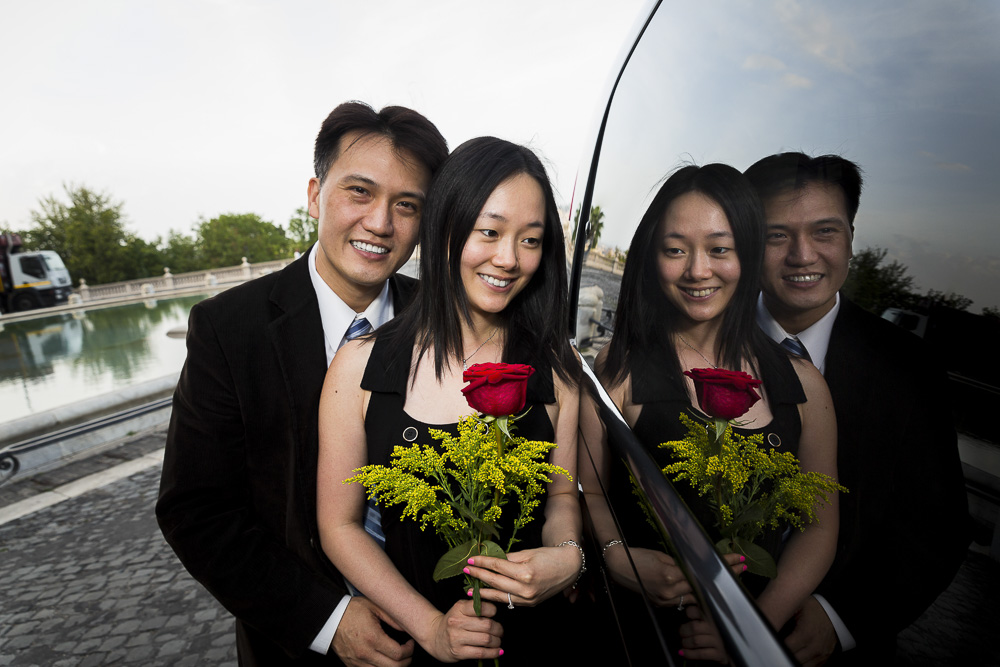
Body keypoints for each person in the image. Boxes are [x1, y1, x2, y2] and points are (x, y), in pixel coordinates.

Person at [156, 101, 448, 666]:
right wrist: (327, 620)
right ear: (315, 195)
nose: (381, 223)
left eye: (406, 204)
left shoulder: (444, 323)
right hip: (297, 648)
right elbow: (196, 510)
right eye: (359, 192)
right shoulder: (229, 328)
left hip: (441, 635)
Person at [316, 137, 584, 664]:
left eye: (530, 240)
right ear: (444, 229)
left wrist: (568, 559)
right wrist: (433, 628)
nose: (508, 260)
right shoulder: (360, 365)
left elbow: (561, 500)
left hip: (538, 641)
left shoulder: (558, 375)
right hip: (417, 646)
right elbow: (339, 525)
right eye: (489, 232)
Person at [596, 164, 840, 662]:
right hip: (636, 635)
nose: (698, 270)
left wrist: (751, 630)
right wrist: (617, 556)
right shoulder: (619, 369)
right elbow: (590, 493)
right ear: (652, 256)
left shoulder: (804, 386)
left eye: (720, 249)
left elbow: (819, 527)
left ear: (748, 255)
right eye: (676, 249)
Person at [745, 152, 970, 665]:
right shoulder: (699, 338)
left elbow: (935, 526)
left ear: (850, 237)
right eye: (777, 235)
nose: (803, 255)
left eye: (825, 231)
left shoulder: (908, 368)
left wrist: (841, 616)